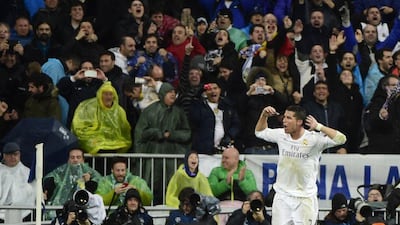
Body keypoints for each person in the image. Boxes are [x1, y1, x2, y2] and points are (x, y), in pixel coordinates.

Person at [254, 105, 347, 225]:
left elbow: (341, 139)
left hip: (305, 198)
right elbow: (259, 132)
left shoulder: (314, 139)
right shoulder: (281, 135)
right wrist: (264, 115)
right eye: (284, 117)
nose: (284, 120)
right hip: (282, 197)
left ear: (299, 122)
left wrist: (319, 126)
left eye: (288, 118)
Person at [134, 82, 191, 204]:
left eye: (174, 92)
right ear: (162, 94)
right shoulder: (149, 111)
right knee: (152, 185)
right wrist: (156, 133)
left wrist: (171, 135)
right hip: (152, 156)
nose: (173, 94)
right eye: (170, 92)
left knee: (170, 186)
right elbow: (140, 134)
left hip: (171, 157)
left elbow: (187, 134)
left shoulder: (178, 112)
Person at [71, 81, 132, 154]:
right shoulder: (89, 107)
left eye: (110, 94)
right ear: (100, 95)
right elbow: (80, 127)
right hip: (96, 143)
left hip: (114, 145)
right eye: (105, 94)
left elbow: (124, 130)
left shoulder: (119, 111)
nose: (108, 97)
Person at [43, 148, 102, 215]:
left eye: (78, 157)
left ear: (83, 160)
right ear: (68, 160)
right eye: (72, 157)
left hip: (84, 211)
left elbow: (96, 189)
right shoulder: (60, 172)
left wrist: (88, 181)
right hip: (62, 210)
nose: (75, 160)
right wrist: (45, 190)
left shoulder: (91, 173)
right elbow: (50, 179)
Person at [0, 142, 35, 222]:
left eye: (15, 154)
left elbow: (33, 189)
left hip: (24, 213)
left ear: (19, 155)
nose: (13, 157)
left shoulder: (27, 172)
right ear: (4, 155)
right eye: (9, 154)